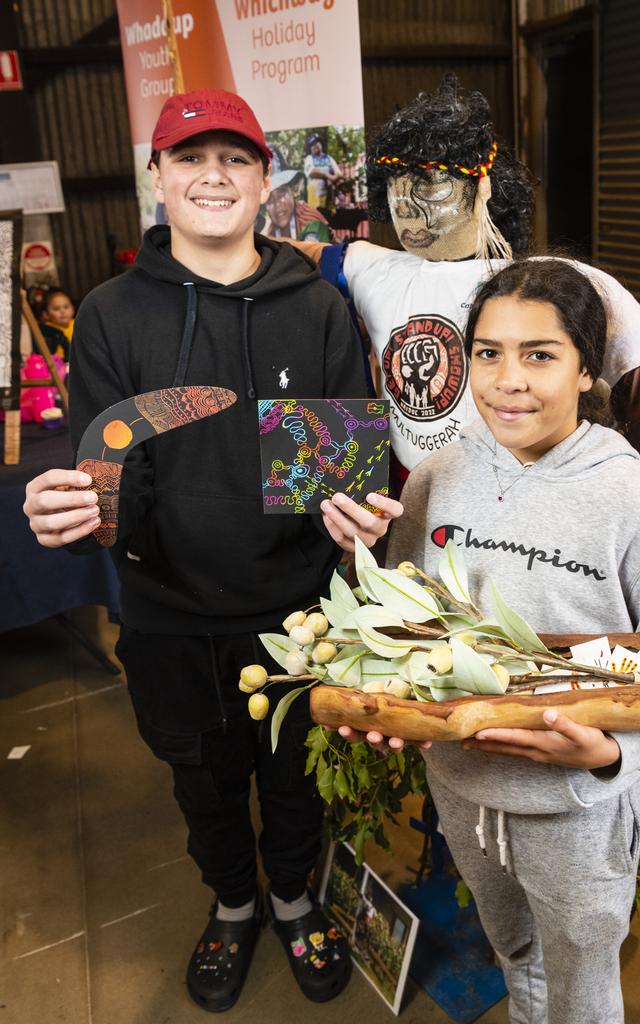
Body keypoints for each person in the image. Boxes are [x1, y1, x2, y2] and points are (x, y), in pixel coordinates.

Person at [22, 88, 402, 1014]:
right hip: (166, 617)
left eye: (234, 158)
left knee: (298, 780)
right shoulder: (111, 315)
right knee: (203, 782)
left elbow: (331, 483)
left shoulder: (315, 308)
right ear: (158, 176)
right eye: (190, 158)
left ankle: (294, 897)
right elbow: (111, 479)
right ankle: (234, 904)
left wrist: (351, 522)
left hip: (300, 615)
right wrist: (73, 511)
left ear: (264, 179)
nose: (213, 176)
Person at [344, 258, 640, 1023]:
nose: (508, 380)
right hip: (460, 786)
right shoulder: (434, 478)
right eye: (488, 352)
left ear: (586, 369)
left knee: (582, 980)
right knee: (515, 953)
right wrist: (387, 700)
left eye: (539, 355)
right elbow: (416, 621)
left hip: (577, 808)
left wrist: (615, 756)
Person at [290, 75, 640, 602]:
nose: (410, 207)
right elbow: (260, 261)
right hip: (410, 496)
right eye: (397, 187)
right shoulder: (367, 268)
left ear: (484, 184)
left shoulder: (547, 284)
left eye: (431, 183)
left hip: (523, 493)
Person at [263, 168, 332, 243]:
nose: (277, 205)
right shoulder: (271, 232)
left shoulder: (310, 222)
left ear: (292, 192)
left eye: (281, 194)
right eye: (269, 200)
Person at [303, 133, 343, 212]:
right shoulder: (309, 158)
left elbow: (339, 173)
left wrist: (335, 178)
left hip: (329, 195)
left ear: (321, 144)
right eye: (312, 145)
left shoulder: (329, 158)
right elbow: (312, 172)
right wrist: (328, 176)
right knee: (317, 218)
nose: (315, 146)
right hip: (314, 197)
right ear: (310, 148)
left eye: (316, 143)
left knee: (330, 219)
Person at [39, 287, 76, 360]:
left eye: (66, 307)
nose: (62, 311)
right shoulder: (47, 330)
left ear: (73, 309)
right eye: (56, 309)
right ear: (46, 314)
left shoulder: (77, 324)